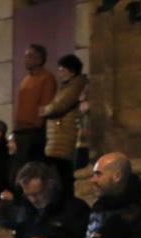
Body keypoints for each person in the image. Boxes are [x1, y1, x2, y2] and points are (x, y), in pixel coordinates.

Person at [13, 161, 90, 238]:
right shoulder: (24, 210)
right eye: (28, 195)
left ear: (50, 184)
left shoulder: (75, 208)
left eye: (37, 194)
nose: (33, 200)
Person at [41, 54, 87, 193]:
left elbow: (59, 106)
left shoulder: (75, 85)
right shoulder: (68, 87)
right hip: (58, 138)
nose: (59, 74)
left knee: (63, 174)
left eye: (62, 70)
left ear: (72, 71)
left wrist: (45, 110)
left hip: (64, 136)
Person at [13, 44, 57, 168]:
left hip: (34, 131)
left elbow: (46, 103)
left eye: (30, 56)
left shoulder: (46, 77)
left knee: (32, 166)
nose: (26, 59)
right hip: (21, 129)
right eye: (26, 56)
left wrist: (37, 126)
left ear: (40, 59)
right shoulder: (26, 79)